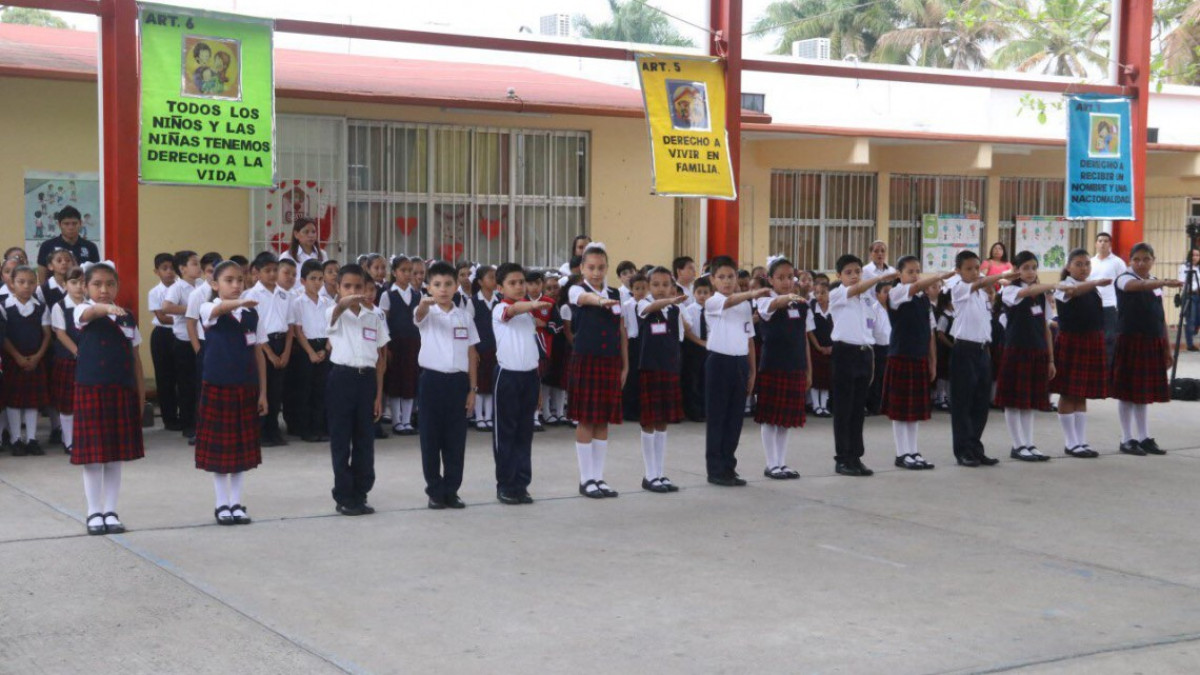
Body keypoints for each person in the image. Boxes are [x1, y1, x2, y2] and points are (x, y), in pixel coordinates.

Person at [71, 262, 145, 535]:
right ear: (85, 287)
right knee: (93, 457)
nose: (104, 290)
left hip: (121, 390)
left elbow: (135, 358)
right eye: (97, 284)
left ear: (118, 286)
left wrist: (138, 395)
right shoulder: (82, 311)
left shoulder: (128, 318)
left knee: (115, 456)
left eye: (110, 284)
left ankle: (111, 511)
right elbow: (90, 312)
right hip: (92, 389)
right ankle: (93, 512)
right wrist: (105, 308)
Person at [195, 260, 267, 526]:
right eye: (229, 280)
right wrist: (238, 303)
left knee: (240, 450)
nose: (236, 285)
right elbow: (219, 308)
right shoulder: (208, 308)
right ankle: (221, 503)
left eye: (240, 280)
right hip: (217, 385)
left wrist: (263, 393)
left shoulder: (251, 314)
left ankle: (236, 502)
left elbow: (258, 351)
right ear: (215, 284)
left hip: (245, 386)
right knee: (220, 450)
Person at [414, 262, 480, 509]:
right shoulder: (426, 312)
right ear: (428, 287)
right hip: (432, 381)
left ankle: (452, 490)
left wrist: (472, 389)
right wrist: (423, 304)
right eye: (437, 285)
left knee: (455, 440)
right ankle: (434, 490)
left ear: (456, 286)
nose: (443, 289)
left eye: (448, 284)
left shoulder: (464, 316)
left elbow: (472, 353)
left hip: (457, 383)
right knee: (431, 439)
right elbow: (418, 316)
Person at [326, 264, 388, 516]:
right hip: (342, 378)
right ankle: (344, 495)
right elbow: (334, 316)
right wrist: (344, 303)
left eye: (358, 286)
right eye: (347, 286)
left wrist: (377, 395)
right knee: (341, 440)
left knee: (365, 440)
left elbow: (381, 357)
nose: (353, 291)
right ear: (338, 288)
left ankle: (360, 492)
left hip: (367, 380)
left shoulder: (374, 316)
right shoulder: (333, 311)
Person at [828, 255, 897, 477]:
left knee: (858, 409)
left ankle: (856, 456)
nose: (854, 276)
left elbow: (878, 332)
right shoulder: (838, 294)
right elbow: (856, 289)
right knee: (844, 409)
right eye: (848, 272)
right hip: (844, 353)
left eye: (857, 271)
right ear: (839, 276)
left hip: (864, 354)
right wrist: (882, 278)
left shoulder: (869, 301)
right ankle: (842, 458)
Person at [567, 243, 627, 499]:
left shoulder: (615, 292)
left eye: (601, 267)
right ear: (582, 268)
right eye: (591, 267)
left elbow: (621, 330)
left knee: (603, 419)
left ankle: (599, 477)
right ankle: (586, 479)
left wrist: (624, 365)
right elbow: (586, 299)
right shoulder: (575, 290)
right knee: (586, 419)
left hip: (610, 361)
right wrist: (601, 300)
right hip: (586, 360)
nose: (596, 272)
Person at [704, 256, 768, 486]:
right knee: (718, 418)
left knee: (735, 420)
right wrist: (751, 294)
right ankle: (715, 470)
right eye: (721, 277)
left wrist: (752, 371)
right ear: (712, 280)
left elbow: (749, 338)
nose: (727, 281)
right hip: (719, 362)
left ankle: (729, 467)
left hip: (740, 363)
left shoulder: (743, 303)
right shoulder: (713, 301)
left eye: (731, 276)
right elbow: (729, 302)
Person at [1113, 243, 1180, 456]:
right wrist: (1165, 282)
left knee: (1142, 392)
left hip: (1152, 341)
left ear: (1153, 260)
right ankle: (1126, 439)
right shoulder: (1124, 278)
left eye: (1146, 259)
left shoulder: (1154, 283)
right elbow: (1135, 287)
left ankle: (1143, 437)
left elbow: (1160, 315)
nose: (1141, 263)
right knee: (1127, 391)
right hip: (1130, 340)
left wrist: (1166, 347)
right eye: (1137, 259)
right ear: (1130, 261)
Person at [950, 251, 1016, 467]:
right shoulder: (959, 288)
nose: (974, 272)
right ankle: (963, 451)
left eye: (976, 268)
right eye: (968, 268)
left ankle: (975, 447)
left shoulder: (982, 293)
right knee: (963, 404)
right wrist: (1001, 276)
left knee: (980, 404)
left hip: (981, 351)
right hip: (964, 351)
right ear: (958, 270)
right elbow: (980, 283)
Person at [490, 262, 548, 505]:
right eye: (512, 283)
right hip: (508, 377)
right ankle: (505, 484)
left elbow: (533, 348)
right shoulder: (500, 308)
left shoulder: (528, 316)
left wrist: (537, 384)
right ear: (500, 286)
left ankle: (521, 484)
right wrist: (533, 304)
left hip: (528, 376)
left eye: (521, 282)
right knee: (506, 433)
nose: (518, 287)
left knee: (525, 433)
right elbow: (512, 311)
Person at [885, 259, 951, 470]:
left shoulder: (924, 301)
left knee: (914, 408)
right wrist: (940, 276)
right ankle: (901, 452)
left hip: (919, 358)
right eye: (910, 271)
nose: (915, 275)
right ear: (899, 275)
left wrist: (932, 361)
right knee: (900, 408)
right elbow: (914, 287)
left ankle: (913, 450)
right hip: (901, 356)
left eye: (917, 271)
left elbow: (930, 332)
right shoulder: (896, 293)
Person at [995, 251, 1057, 462]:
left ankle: (1029, 443)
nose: (1030, 272)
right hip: (1016, 350)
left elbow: (1046, 328)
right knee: (1014, 401)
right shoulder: (1010, 290)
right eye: (1026, 268)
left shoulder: (1040, 295)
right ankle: (1018, 444)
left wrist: (1050, 359)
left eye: (1033, 267)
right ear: (1017, 270)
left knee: (1030, 401)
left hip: (1037, 351)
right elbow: (1025, 292)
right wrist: (1053, 286)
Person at [1051, 249, 1112, 458]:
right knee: (1068, 392)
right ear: (1068, 267)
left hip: (1091, 340)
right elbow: (1072, 293)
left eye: (1087, 263)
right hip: (1072, 341)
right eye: (1078, 264)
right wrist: (1094, 283)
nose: (1084, 268)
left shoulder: (1092, 288)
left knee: (1082, 393)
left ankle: (1081, 440)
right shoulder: (1063, 286)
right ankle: (1070, 442)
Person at [754, 256, 809, 480]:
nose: (786, 282)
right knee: (770, 417)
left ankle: (782, 462)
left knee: (785, 418)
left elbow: (803, 338)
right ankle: (771, 464)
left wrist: (807, 370)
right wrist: (789, 296)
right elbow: (775, 305)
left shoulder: (800, 304)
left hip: (794, 364)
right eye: (781, 278)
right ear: (770, 280)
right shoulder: (765, 300)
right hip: (773, 364)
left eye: (790, 277)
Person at [636, 267, 687, 492]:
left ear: (672, 286)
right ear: (648, 286)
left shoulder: (675, 310)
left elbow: (679, 339)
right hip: (650, 369)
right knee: (649, 420)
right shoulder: (643, 305)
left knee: (663, 420)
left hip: (669, 369)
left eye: (665, 285)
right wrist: (669, 301)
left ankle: (660, 472)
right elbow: (650, 308)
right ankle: (649, 475)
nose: (661, 289)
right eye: (655, 284)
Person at [244, 252, 292, 447]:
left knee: (276, 391)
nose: (272, 274)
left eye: (275, 270)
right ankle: (260, 430)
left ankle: (273, 429)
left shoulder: (285, 295)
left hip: (281, 342)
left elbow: (290, 325)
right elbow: (255, 328)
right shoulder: (251, 296)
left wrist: (286, 351)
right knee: (261, 388)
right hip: (262, 345)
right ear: (257, 272)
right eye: (267, 271)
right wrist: (269, 353)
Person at [4, 265, 50, 455]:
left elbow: (47, 334)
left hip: (35, 358)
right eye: (21, 282)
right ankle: (16, 439)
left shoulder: (41, 307)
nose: (26, 286)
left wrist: (38, 356)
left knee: (32, 401)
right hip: (13, 359)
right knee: (13, 401)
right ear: (12, 284)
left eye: (31, 282)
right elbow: (3, 337)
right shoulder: (4, 307)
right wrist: (18, 357)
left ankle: (31, 438)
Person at [290, 260, 334, 443]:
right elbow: (298, 331)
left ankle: (320, 427)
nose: (317, 282)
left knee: (322, 390)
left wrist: (325, 349)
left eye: (320, 279)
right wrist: (310, 352)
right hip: (306, 348)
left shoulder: (327, 302)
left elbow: (333, 327)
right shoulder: (298, 303)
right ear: (302, 281)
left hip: (324, 346)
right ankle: (305, 429)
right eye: (312, 278)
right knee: (305, 390)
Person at [381, 255, 420, 436]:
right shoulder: (387, 295)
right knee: (395, 381)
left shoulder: (418, 294)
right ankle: (397, 421)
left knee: (410, 380)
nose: (407, 274)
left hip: (413, 343)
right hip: (395, 343)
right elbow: (383, 322)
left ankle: (407, 421)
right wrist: (386, 346)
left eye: (409, 271)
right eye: (403, 270)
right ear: (394, 272)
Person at [49, 268, 85, 456]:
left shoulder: (90, 306)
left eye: (82, 282)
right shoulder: (60, 306)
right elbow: (60, 333)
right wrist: (78, 353)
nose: (79, 287)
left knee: (84, 402)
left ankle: (82, 438)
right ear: (65, 285)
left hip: (89, 361)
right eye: (73, 282)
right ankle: (68, 440)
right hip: (68, 360)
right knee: (67, 403)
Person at [148, 253, 181, 430]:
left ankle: (186, 416)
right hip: (163, 335)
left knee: (182, 376)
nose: (169, 272)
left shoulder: (182, 288)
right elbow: (161, 317)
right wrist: (185, 317)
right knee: (165, 377)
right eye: (164, 268)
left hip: (181, 334)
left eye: (172, 268)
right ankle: (169, 418)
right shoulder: (155, 292)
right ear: (156, 271)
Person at [1088, 232, 1127, 367]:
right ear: (1095, 244)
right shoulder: (1090, 262)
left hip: (1110, 306)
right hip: (1093, 306)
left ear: (1110, 244)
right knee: (1094, 336)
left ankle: (1109, 367)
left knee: (1110, 339)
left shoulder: (1117, 262)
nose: (1102, 243)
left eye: (1105, 241)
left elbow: (1124, 283)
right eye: (1100, 241)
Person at [680, 276, 712, 422]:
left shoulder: (713, 310)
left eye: (706, 292)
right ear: (694, 293)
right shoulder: (689, 310)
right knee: (693, 380)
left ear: (711, 294)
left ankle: (706, 410)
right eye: (699, 292)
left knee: (707, 380)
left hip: (711, 348)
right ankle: (694, 411)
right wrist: (700, 342)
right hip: (694, 348)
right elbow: (687, 331)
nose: (702, 296)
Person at [472, 266, 500, 432]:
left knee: (490, 385)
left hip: (495, 348)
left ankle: (488, 417)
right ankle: (479, 417)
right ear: (481, 282)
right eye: (490, 277)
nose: (494, 280)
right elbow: (469, 327)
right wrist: (473, 350)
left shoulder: (499, 301)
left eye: (495, 277)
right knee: (480, 385)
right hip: (480, 348)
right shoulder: (473, 301)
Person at [36, 206, 100, 277]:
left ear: (80, 223)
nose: (71, 227)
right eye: (66, 224)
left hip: (81, 286)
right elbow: (42, 274)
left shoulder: (91, 247)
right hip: (54, 288)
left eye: (74, 223)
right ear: (59, 225)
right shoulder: (47, 246)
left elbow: (96, 274)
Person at [621, 272, 648, 422]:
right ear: (632, 289)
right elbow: (624, 326)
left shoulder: (650, 305)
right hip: (632, 342)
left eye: (644, 288)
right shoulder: (626, 305)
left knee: (644, 376)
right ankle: (629, 410)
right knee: (631, 377)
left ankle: (642, 408)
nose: (640, 291)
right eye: (637, 288)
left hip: (646, 342)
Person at [806, 277, 833, 417]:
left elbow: (838, 327)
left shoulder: (833, 308)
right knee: (816, 378)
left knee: (826, 378)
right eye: (817, 293)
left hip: (831, 348)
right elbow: (809, 331)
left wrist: (831, 346)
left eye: (823, 292)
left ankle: (824, 405)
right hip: (816, 348)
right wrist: (818, 346)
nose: (820, 296)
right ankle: (816, 405)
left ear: (829, 294)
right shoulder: (811, 308)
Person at [1177, 248, 1200, 351]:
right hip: (1189, 295)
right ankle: (1190, 344)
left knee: (1197, 320)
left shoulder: (1199, 268)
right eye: (1193, 255)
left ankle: (1193, 331)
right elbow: (1182, 281)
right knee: (1190, 320)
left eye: (1197, 255)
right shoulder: (1184, 267)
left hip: (1198, 295)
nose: (1195, 257)